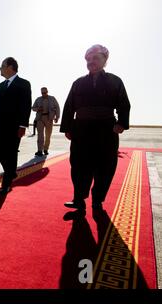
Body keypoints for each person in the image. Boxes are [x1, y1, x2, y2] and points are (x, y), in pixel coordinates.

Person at [60, 44, 131, 212]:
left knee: (105, 167)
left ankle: (97, 200)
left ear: (105, 60)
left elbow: (124, 103)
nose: (91, 62)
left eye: (95, 58)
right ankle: (79, 199)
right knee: (78, 165)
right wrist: (68, 127)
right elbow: (69, 106)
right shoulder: (78, 83)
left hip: (106, 129)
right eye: (88, 59)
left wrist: (121, 123)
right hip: (81, 129)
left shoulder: (115, 81)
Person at [0, 57, 32, 195]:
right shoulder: (0, 86)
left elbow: (26, 105)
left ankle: (6, 183)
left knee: (11, 152)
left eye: (2, 66)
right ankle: (11, 172)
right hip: (1, 125)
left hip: (15, 125)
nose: (0, 69)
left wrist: (23, 125)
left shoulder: (24, 84)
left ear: (10, 67)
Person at [32, 87, 60, 156]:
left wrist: (57, 117)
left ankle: (45, 149)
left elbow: (57, 108)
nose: (43, 94)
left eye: (45, 92)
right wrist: (38, 109)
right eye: (42, 93)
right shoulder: (38, 99)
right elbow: (33, 108)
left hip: (49, 119)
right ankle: (39, 150)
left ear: (47, 91)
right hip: (40, 118)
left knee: (48, 135)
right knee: (40, 135)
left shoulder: (52, 99)